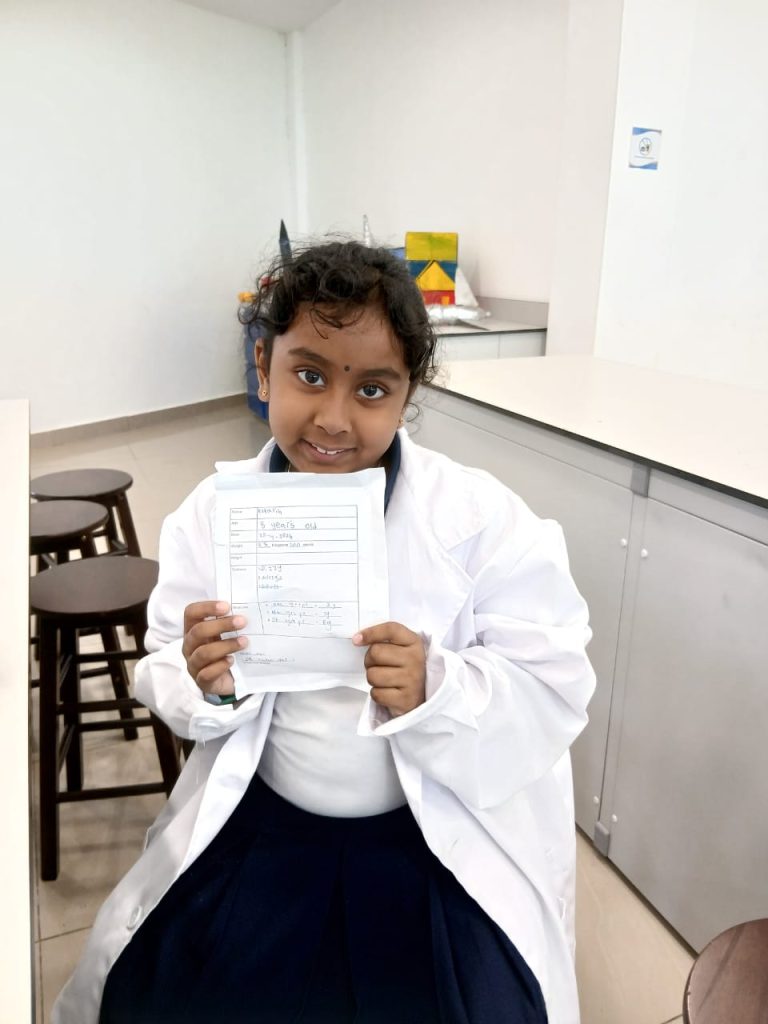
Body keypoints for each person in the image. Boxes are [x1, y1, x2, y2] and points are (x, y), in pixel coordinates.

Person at [53, 240, 596, 1024]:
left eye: (371, 389)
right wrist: (210, 681)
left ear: (407, 396)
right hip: (268, 823)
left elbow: (554, 682)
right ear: (263, 366)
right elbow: (165, 662)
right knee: (176, 992)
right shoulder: (212, 515)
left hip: (429, 841)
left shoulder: (483, 521)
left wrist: (437, 686)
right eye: (309, 375)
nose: (334, 420)